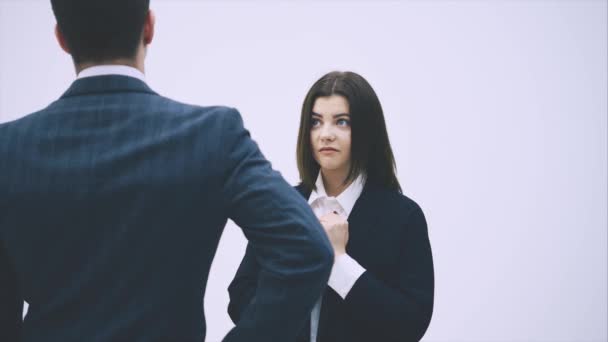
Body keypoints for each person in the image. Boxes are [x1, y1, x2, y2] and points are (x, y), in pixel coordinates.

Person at [0, 1, 334, 341]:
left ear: (61, 38)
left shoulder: (7, 149)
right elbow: (307, 249)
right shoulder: (212, 135)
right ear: (149, 27)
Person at [228, 71, 435, 341]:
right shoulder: (282, 206)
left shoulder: (403, 217)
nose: (325, 134)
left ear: (366, 130)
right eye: (316, 122)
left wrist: (338, 261)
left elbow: (410, 324)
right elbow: (240, 297)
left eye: (342, 122)